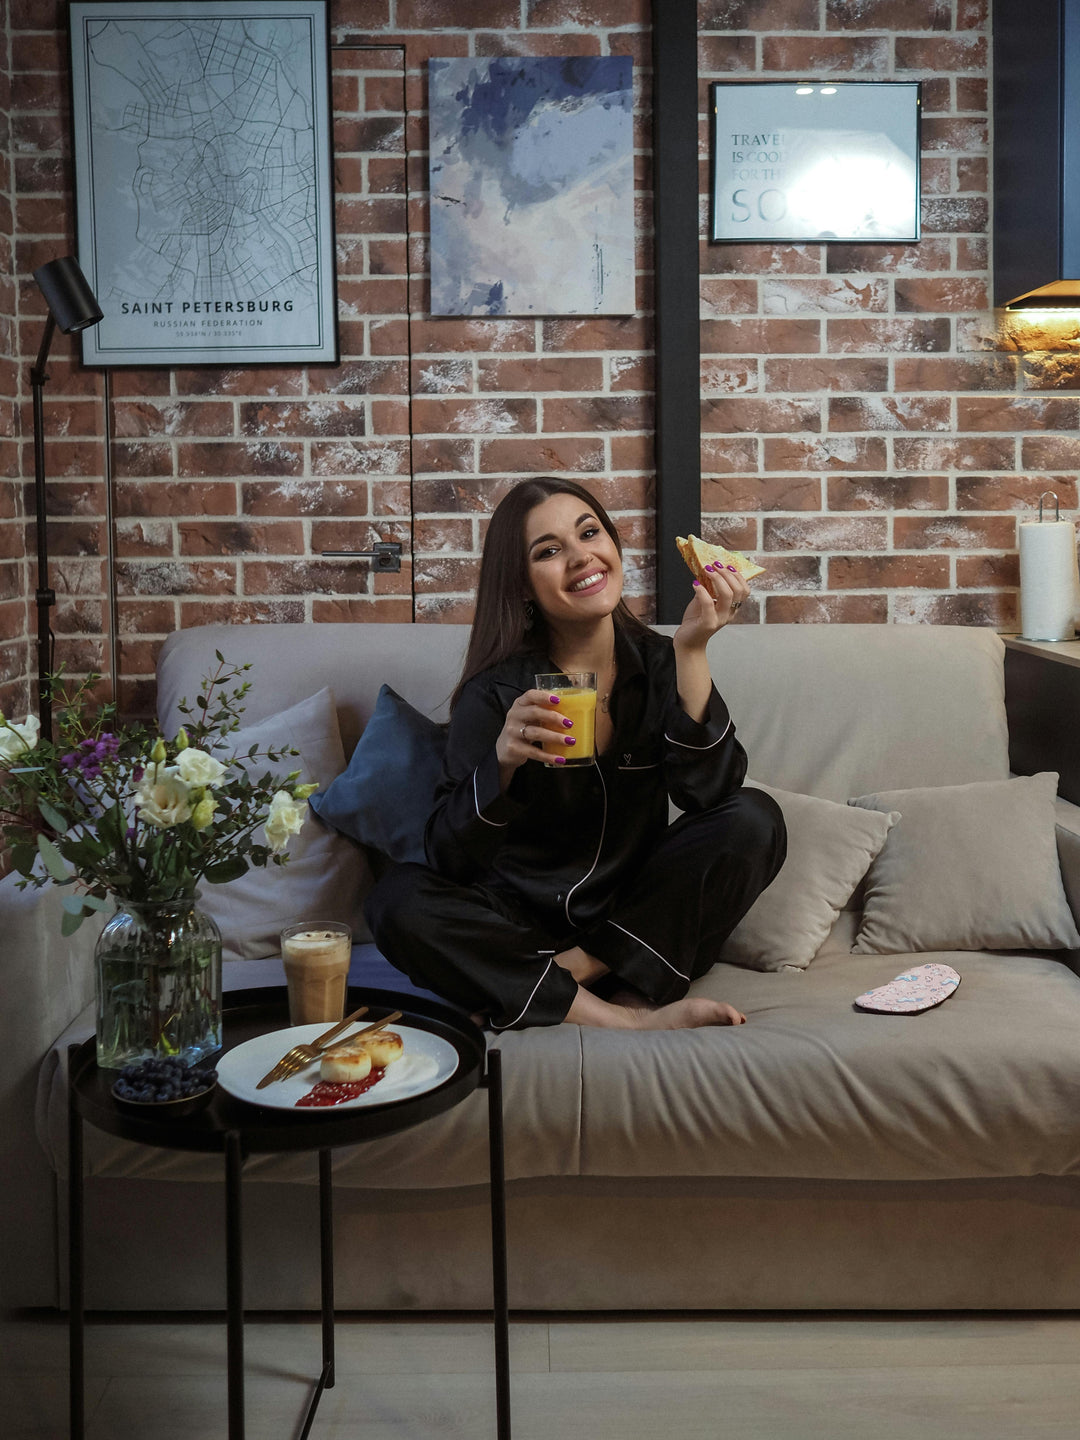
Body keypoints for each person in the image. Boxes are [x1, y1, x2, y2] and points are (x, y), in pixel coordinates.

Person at [365, 477, 786, 1031]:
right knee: (397, 900)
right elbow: (448, 859)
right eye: (548, 550)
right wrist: (503, 765)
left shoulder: (663, 661)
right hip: (516, 919)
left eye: (590, 533)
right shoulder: (495, 693)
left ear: (614, 547)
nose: (580, 556)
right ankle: (625, 1018)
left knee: (755, 818)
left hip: (632, 917)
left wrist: (693, 650)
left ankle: (565, 975)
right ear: (521, 584)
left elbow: (708, 794)